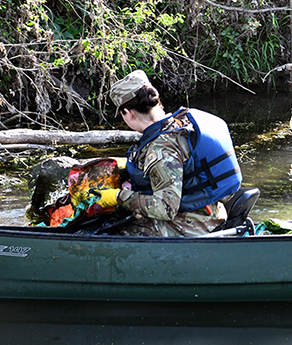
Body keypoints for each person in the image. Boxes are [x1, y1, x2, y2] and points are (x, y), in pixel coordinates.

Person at [94, 69, 242, 236]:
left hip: (193, 226)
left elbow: (165, 208)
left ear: (128, 113)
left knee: (112, 232)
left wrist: (118, 196)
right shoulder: (181, 124)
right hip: (212, 214)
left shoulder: (160, 149)